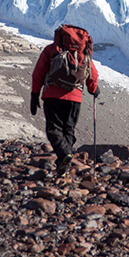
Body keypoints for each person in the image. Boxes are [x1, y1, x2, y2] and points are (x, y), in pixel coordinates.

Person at [30, 24, 99, 177]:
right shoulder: (83, 53)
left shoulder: (52, 50)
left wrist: (34, 94)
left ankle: (65, 155)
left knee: (53, 129)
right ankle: (64, 163)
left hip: (52, 96)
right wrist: (93, 89)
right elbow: (92, 73)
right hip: (75, 98)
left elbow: (38, 73)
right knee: (68, 130)